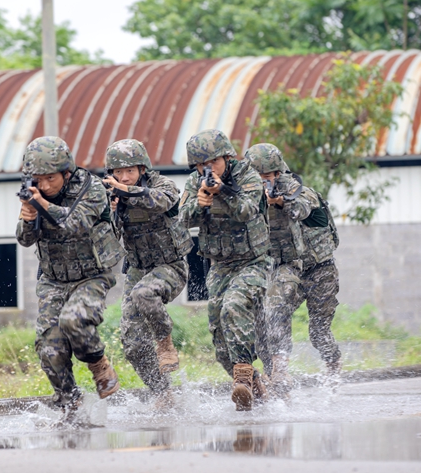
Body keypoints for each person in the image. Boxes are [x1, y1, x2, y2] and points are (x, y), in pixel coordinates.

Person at [16, 136, 124, 415]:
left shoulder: (91, 189)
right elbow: (25, 240)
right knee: (49, 347)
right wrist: (29, 217)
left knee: (73, 320)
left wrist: (42, 205)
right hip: (53, 279)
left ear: (66, 172)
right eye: (38, 179)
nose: (46, 185)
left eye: (51, 178)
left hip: (92, 275)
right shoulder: (34, 193)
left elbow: (74, 223)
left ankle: (99, 364)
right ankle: (69, 402)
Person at [179, 129, 269, 411]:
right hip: (219, 264)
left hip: (252, 261)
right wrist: (198, 204)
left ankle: (242, 374)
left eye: (212, 163)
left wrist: (223, 192)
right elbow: (181, 218)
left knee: (235, 304)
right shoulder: (195, 182)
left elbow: (247, 210)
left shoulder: (248, 176)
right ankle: (252, 385)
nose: (206, 170)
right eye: (199, 165)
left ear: (227, 158)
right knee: (219, 337)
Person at [244, 143, 342, 395]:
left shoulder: (298, 190)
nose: (263, 182)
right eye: (258, 177)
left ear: (278, 173)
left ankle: (333, 366)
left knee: (319, 332)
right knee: (271, 312)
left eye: (267, 177)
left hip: (320, 269)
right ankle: (276, 372)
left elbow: (303, 208)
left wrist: (280, 202)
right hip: (288, 268)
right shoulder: (249, 195)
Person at [102, 139, 192, 407]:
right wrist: (111, 212)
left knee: (144, 293)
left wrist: (127, 191)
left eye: (129, 171)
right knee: (131, 342)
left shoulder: (161, 186)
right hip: (138, 269)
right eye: (117, 172)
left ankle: (165, 344)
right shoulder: (113, 197)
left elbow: (162, 202)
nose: (123, 177)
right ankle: (162, 393)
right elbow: (106, 243)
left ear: (142, 168)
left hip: (170, 266)